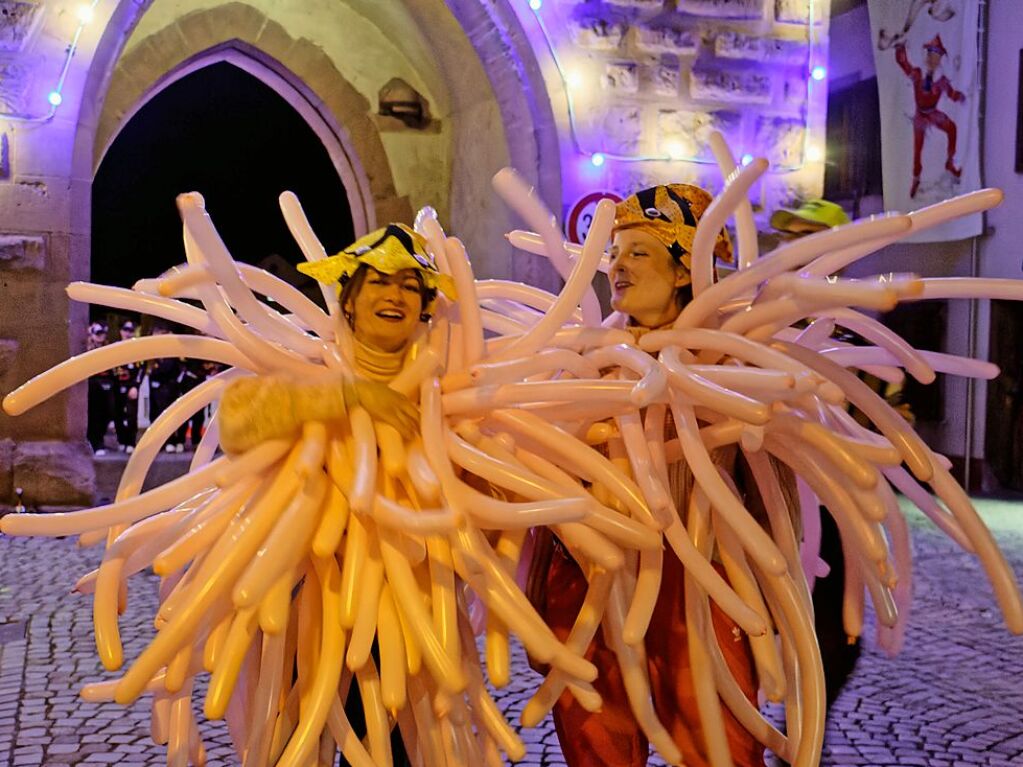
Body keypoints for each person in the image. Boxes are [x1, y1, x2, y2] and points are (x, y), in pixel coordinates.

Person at [539, 184, 777, 767]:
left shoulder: (734, 359)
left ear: (683, 269)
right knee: (598, 746)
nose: (616, 266)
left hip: (700, 581)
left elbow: (772, 486)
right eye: (613, 253)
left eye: (638, 252)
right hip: (592, 577)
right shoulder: (581, 359)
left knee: (719, 745)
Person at [216, 223, 455, 766]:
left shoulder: (446, 384)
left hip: (412, 603)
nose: (393, 295)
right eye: (376, 282)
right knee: (301, 737)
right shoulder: (310, 367)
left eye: (410, 286)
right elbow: (235, 422)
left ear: (425, 307)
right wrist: (349, 395)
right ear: (349, 300)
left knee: (399, 745)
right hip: (311, 604)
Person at [894, 35, 965, 199]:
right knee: (917, 150)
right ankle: (916, 178)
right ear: (926, 56)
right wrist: (900, 49)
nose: (933, 60)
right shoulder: (918, 74)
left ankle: (949, 163)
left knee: (952, 127)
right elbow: (904, 65)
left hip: (933, 113)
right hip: (921, 114)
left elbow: (951, 94)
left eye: (937, 57)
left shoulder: (941, 81)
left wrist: (960, 96)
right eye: (931, 56)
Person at [145, 322, 183, 452]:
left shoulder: (172, 350)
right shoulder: (149, 351)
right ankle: (156, 442)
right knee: (154, 413)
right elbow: (147, 369)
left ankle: (171, 440)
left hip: (168, 386)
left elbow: (171, 368)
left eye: (161, 333)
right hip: (154, 386)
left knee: (169, 414)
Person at [112, 319, 143, 453]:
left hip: (131, 386)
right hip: (116, 386)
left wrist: (135, 386)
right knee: (117, 414)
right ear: (120, 331)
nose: (128, 333)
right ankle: (122, 441)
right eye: (125, 330)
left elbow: (141, 369)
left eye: (131, 331)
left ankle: (131, 442)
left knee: (131, 414)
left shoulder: (137, 349)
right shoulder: (114, 347)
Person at [86, 322, 115, 455]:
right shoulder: (87, 349)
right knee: (94, 415)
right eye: (98, 334)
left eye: (102, 334)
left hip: (107, 383)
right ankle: (96, 442)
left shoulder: (107, 348)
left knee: (107, 412)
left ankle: (99, 439)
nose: (101, 337)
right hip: (93, 384)